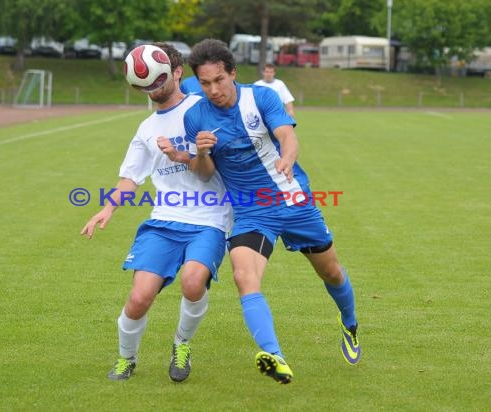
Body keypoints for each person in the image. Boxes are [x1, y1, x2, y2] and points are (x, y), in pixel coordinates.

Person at [184, 39, 361, 384]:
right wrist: (202, 153)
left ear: (232, 73)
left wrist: (288, 158)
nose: (213, 90)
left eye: (219, 80)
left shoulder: (261, 97)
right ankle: (274, 355)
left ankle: (350, 321)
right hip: (251, 211)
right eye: (205, 83)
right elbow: (203, 172)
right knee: (243, 277)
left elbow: (287, 135)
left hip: (294, 201)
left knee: (332, 273)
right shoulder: (197, 116)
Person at [81, 42, 232, 383]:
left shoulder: (204, 109)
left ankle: (182, 343)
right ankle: (126, 359)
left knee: (193, 283)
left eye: (159, 78)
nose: (153, 87)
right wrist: (107, 209)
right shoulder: (146, 128)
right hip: (164, 221)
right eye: (146, 83)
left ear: (177, 72)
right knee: (138, 298)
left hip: (208, 218)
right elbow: (130, 178)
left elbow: (215, 164)